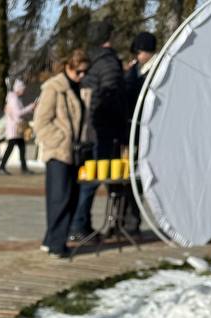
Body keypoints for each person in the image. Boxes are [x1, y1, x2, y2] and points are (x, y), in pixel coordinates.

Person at [69, 19, 127, 238]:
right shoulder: (109, 63)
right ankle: (79, 226)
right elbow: (113, 98)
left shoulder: (87, 61)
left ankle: (79, 224)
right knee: (92, 180)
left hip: (85, 130)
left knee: (84, 178)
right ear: (109, 38)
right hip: (103, 131)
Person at [35, 49, 91, 257]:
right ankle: (57, 245)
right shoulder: (54, 88)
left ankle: (51, 239)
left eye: (85, 71)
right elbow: (41, 122)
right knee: (60, 198)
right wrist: (60, 139)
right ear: (69, 67)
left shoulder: (78, 88)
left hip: (75, 152)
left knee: (71, 197)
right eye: (79, 71)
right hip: (58, 152)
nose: (82, 75)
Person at [123, 31, 158, 233]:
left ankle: (132, 220)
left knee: (137, 177)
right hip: (131, 130)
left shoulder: (153, 72)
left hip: (143, 131)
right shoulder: (136, 69)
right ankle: (126, 218)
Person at [0, 78, 37, 175]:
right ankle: (3, 167)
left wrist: (30, 108)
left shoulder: (15, 98)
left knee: (21, 147)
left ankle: (22, 168)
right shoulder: (14, 99)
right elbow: (18, 113)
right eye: (23, 89)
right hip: (14, 129)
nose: (24, 91)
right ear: (18, 89)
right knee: (11, 148)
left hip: (16, 128)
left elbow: (19, 112)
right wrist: (30, 107)